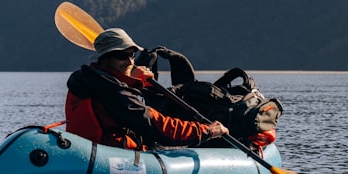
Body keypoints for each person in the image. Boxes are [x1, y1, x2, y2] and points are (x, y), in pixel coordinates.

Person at [65, 27, 229, 150]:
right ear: (103, 59)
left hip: (85, 152)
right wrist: (206, 130)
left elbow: (112, 101)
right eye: (122, 55)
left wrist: (131, 81)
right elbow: (160, 128)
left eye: (132, 54)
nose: (130, 62)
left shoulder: (83, 78)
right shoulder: (115, 92)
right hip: (110, 159)